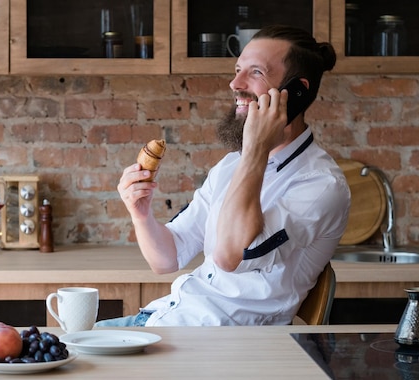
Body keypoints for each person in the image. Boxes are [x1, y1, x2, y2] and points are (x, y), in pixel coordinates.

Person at [98, 25, 351, 327]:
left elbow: (230, 255)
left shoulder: (321, 185)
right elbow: (166, 259)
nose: (235, 83)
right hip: (164, 319)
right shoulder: (232, 164)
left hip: (217, 345)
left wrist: (256, 147)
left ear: (296, 92)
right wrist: (140, 213)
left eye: (255, 72)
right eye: (237, 70)